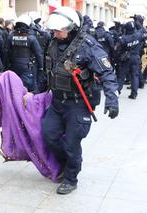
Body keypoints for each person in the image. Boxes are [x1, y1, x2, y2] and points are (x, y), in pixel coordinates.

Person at [41, 7, 119, 194]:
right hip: (57, 102)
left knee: (72, 143)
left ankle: (70, 177)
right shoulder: (52, 43)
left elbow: (107, 73)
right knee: (48, 136)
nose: (55, 32)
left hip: (78, 104)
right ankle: (68, 163)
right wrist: (36, 92)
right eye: (54, 30)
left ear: (72, 28)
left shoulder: (88, 46)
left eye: (59, 30)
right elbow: (48, 71)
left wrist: (112, 99)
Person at [6, 14, 43, 92]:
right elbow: (38, 54)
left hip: (14, 65)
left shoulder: (10, 36)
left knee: (15, 88)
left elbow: (6, 51)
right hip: (27, 67)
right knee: (27, 88)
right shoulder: (31, 38)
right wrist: (41, 67)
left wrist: (7, 65)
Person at [115, 21, 146, 99]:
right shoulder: (138, 35)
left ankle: (117, 91)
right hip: (136, 57)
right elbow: (143, 30)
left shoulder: (123, 38)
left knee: (121, 76)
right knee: (134, 76)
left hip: (126, 59)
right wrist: (137, 21)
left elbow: (117, 49)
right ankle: (134, 94)